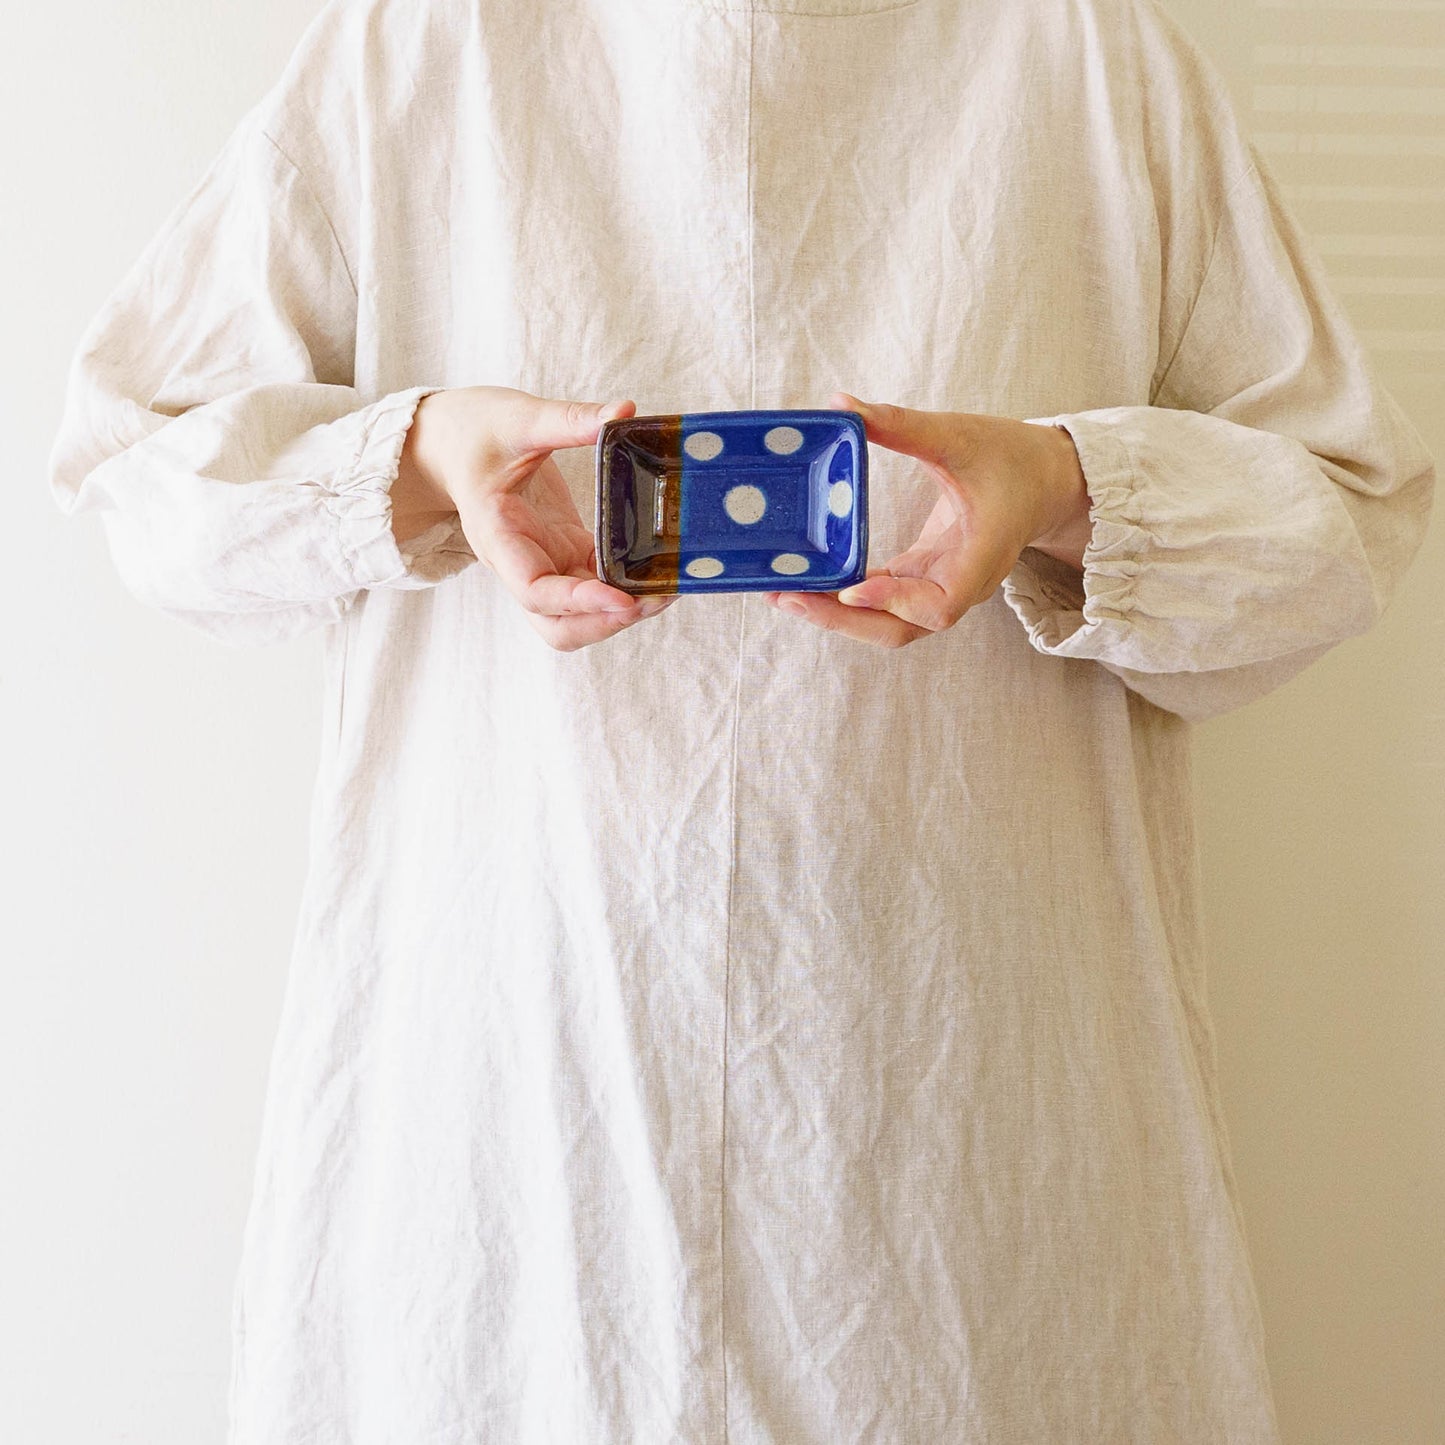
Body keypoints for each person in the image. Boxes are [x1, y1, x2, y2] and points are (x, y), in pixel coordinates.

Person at [48, 0, 1435, 1439]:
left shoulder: (1088, 59)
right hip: (514, 1146)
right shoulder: (418, 53)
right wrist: (419, 456)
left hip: (977, 1184)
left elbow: (1344, 514)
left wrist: (1062, 482)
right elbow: (138, 479)